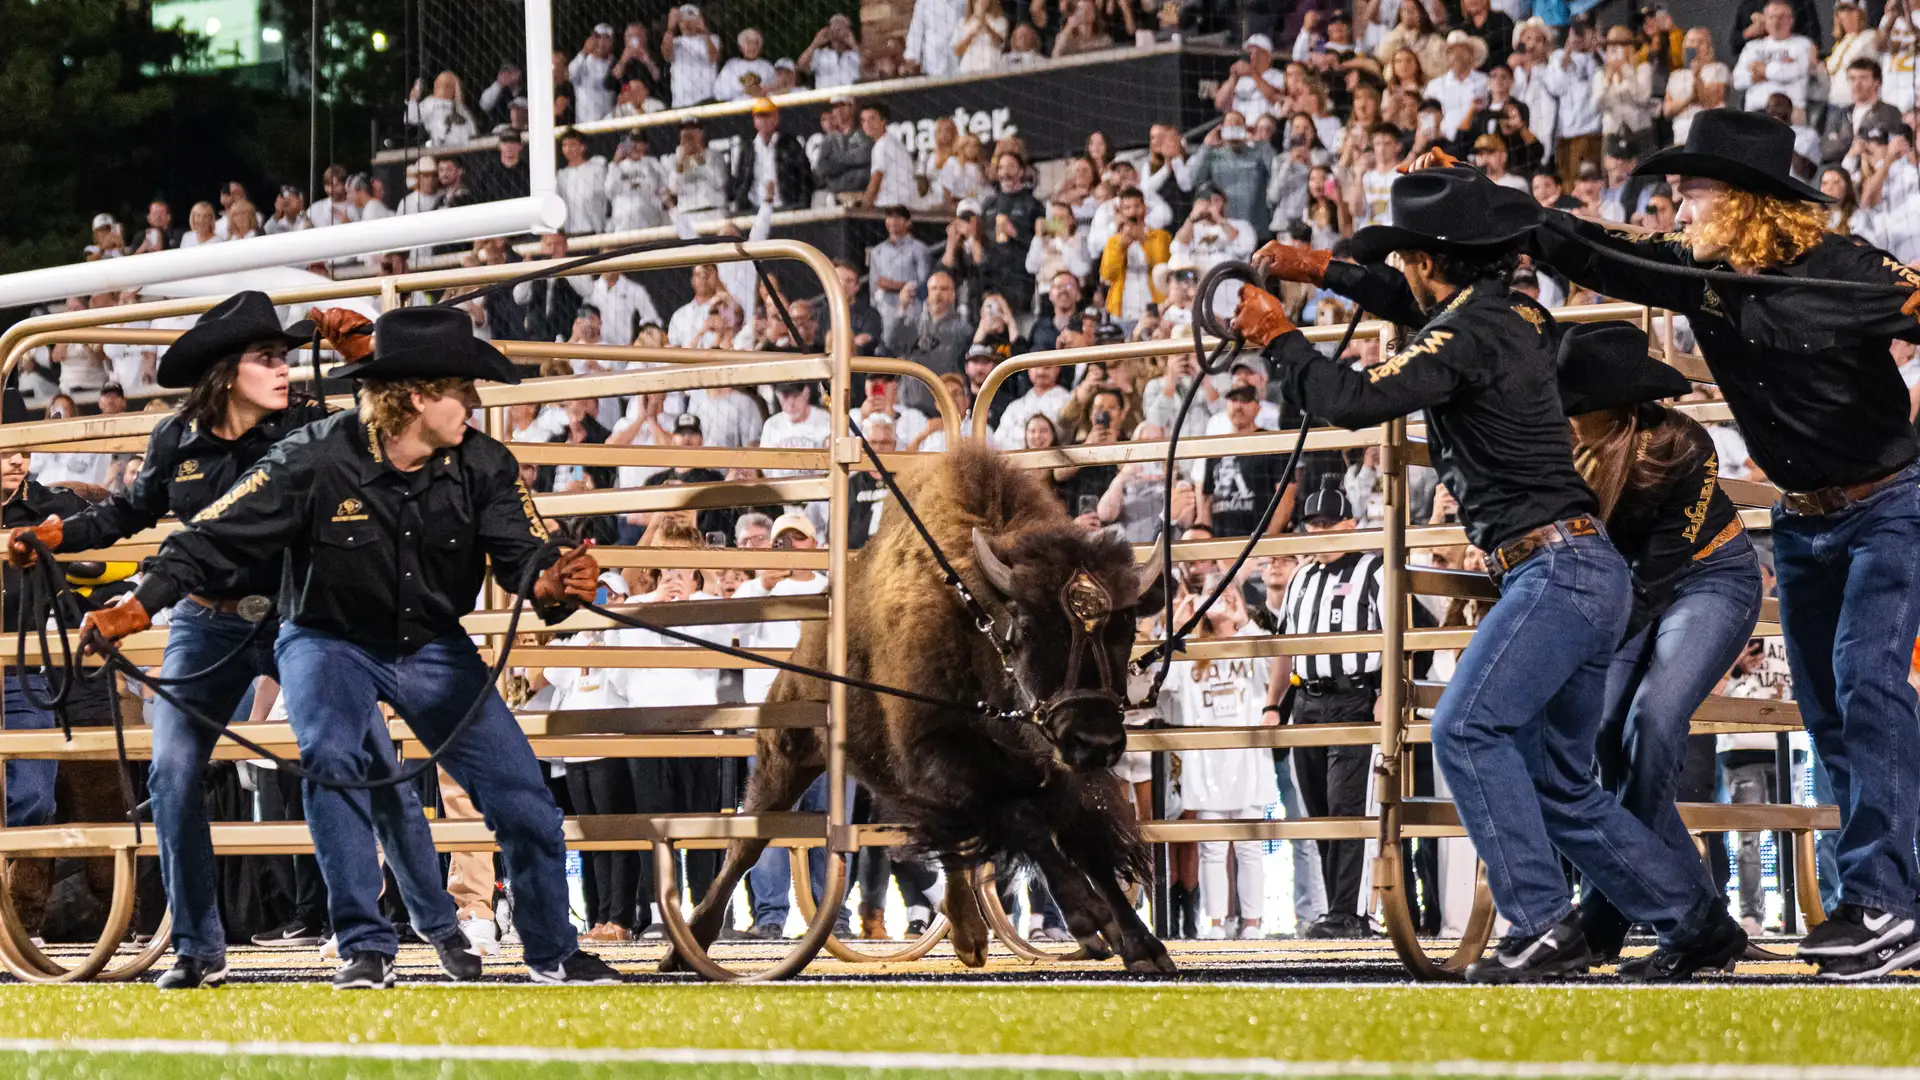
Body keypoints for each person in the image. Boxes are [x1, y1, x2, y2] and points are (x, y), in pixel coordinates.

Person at [1242, 166, 1742, 982]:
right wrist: (1322, 270)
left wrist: (1280, 341)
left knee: (1466, 729)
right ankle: (1695, 919)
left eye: (1407, 256)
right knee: (1558, 779)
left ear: (1434, 262)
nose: (1401, 269)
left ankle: (1544, 924)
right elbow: (1418, 309)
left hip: (1550, 569)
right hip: (1584, 572)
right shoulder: (1513, 313)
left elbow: (1351, 398)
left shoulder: (1470, 330)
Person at [78, 307, 622, 988]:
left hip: (431, 643)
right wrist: (139, 603)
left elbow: (525, 555)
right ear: (417, 397)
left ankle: (552, 951)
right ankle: (364, 945)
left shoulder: (485, 462)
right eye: (462, 390)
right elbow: (211, 534)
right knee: (333, 760)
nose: (474, 405)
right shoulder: (313, 454)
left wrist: (553, 580)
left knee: (522, 796)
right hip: (324, 638)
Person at [1530, 108, 1920, 980]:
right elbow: (1591, 250)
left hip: (1890, 504)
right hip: (1804, 520)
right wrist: (1492, 214)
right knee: (1829, 712)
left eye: (1691, 192)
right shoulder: (1703, 280)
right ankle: (1876, 899)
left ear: (1746, 201)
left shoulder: (1845, 265)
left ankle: (1891, 901)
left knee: (1866, 688)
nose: (1676, 208)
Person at [8, 295, 466, 989]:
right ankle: (197, 946)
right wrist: (54, 536)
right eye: (268, 359)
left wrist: (365, 355)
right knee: (172, 773)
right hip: (203, 618)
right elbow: (127, 513)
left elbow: (392, 421)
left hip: (301, 615)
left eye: (286, 357)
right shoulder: (175, 439)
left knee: (369, 764)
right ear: (227, 373)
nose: (284, 369)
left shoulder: (312, 424)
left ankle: (435, 925)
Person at [1552, 322, 1764, 970]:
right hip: (1631, 589)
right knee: (1604, 733)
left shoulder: (1683, 446)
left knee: (1655, 720)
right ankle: (1701, 921)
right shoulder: (1564, 444)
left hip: (1711, 575)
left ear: (1610, 407)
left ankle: (1609, 911)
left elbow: (1658, 574)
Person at [1262, 483, 1384, 939]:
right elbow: (1285, 646)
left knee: (1344, 805)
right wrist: (1273, 703)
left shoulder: (1374, 570)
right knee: (1318, 810)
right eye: (1312, 525)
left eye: (1327, 524)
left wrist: (1382, 694)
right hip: (1307, 700)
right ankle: (1341, 909)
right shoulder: (1301, 578)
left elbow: (1396, 635)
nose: (1318, 532)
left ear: (1350, 526)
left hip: (1352, 695)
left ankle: (1346, 911)